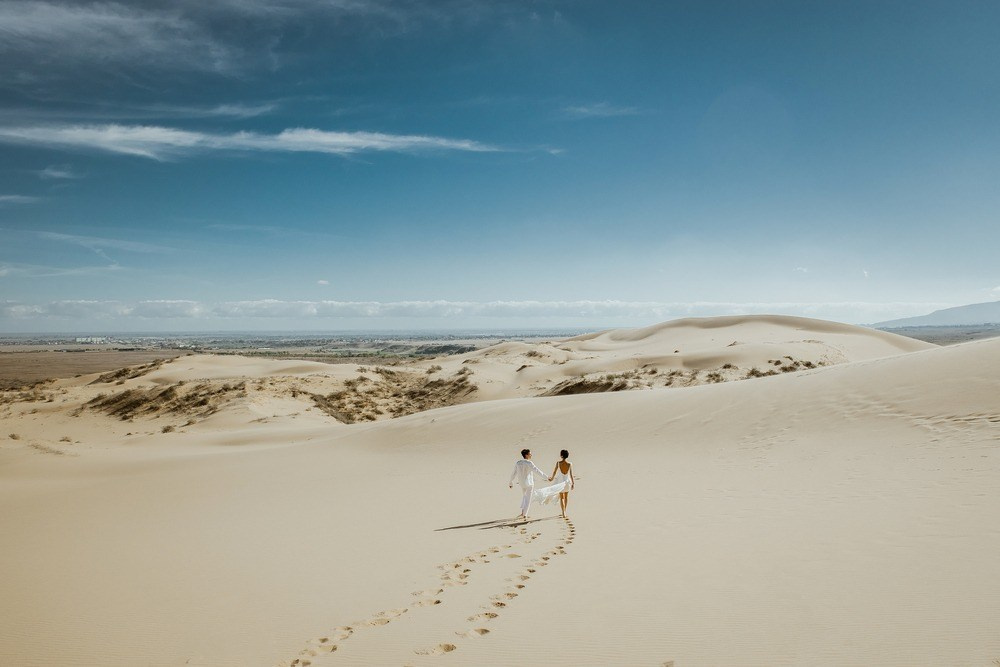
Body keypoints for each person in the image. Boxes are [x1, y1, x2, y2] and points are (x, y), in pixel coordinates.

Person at [508, 448, 548, 519]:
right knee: (528, 499)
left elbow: (513, 473)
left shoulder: (518, 463)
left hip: (522, 483)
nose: (531, 455)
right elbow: (537, 471)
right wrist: (546, 477)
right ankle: (525, 515)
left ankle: (523, 512)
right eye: (530, 454)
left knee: (524, 497)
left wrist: (510, 482)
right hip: (529, 483)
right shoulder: (529, 463)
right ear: (526, 455)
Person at [535, 449, 575, 519]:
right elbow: (571, 474)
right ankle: (565, 510)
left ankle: (563, 512)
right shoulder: (569, 464)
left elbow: (554, 472)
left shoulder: (558, 463)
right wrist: (573, 483)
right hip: (567, 482)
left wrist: (552, 478)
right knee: (566, 497)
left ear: (561, 455)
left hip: (560, 482)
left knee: (562, 497)